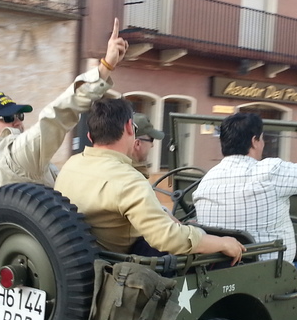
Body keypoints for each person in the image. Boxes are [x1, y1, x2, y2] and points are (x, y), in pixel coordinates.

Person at [55, 98, 243, 263]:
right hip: (119, 270)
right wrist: (222, 242)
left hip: (78, 263)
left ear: (90, 136)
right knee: (219, 260)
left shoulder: (71, 165)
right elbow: (168, 238)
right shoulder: (128, 179)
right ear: (130, 127)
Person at [0, 18, 128, 203]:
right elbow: (57, 115)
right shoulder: (13, 156)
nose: (17, 122)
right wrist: (105, 67)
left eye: (19, 115)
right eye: (7, 118)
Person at [193, 111, 297, 303]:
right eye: (262, 139)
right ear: (254, 141)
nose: (263, 144)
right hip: (271, 275)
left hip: (221, 273)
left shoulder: (208, 178)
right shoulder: (269, 171)